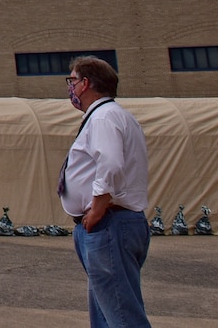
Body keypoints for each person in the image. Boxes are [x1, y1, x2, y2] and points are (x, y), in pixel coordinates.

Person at [59, 55, 151, 328]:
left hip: (109, 223)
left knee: (121, 316)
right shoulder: (112, 116)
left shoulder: (103, 118)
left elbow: (109, 163)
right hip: (109, 224)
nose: (70, 88)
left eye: (73, 81)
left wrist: (98, 207)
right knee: (106, 311)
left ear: (86, 84)